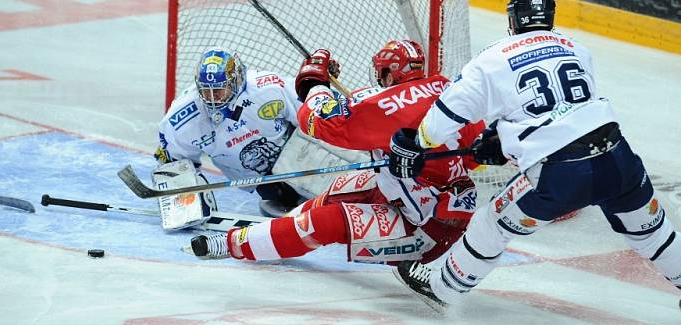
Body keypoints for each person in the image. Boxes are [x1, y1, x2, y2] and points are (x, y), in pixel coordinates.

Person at [387, 0, 681, 322]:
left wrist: (416, 144)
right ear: (549, 17)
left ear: (512, 19)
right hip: (617, 157)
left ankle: (443, 288)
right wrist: (502, 140)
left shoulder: (491, 58)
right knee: (654, 234)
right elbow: (565, 113)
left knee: (491, 223)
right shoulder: (575, 49)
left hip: (559, 174)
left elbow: (444, 118)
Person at [185, 40, 487, 266]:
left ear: (390, 73)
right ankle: (267, 235)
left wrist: (316, 84)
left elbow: (317, 121)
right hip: (439, 203)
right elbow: (475, 152)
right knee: (337, 192)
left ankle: (230, 245)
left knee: (320, 223)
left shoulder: (388, 104)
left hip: (425, 227)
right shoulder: (447, 87)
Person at [156, 47, 305, 213]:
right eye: (206, 91)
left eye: (219, 90)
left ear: (237, 80)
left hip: (300, 156)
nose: (212, 98)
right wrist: (181, 190)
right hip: (262, 180)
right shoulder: (182, 118)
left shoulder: (268, 88)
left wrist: (320, 87)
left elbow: (313, 111)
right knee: (280, 193)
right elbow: (174, 159)